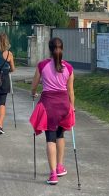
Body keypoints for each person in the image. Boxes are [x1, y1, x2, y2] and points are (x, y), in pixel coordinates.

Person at [30, 37, 75, 186]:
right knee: (60, 135)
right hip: (64, 105)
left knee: (51, 138)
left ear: (49, 49)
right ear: (62, 49)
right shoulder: (68, 67)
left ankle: (53, 174)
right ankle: (60, 166)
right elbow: (70, 91)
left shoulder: (42, 65)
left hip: (48, 105)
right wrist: (72, 107)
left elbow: (34, 84)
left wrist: (33, 93)